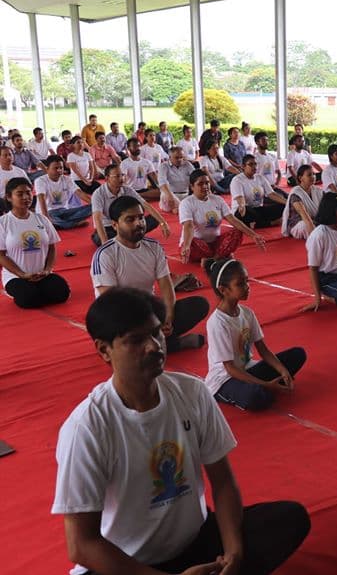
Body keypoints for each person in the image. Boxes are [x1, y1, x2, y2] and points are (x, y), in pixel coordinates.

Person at [52, 287, 311, 575]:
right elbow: (82, 544)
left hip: (195, 542)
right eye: (136, 340)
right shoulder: (88, 427)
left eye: (156, 333)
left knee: (288, 519)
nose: (154, 346)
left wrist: (233, 552)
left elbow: (223, 482)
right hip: (131, 563)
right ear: (104, 350)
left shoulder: (193, 393)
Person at [92, 195, 208, 351]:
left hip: (148, 311)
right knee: (122, 334)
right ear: (115, 225)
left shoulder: (154, 247)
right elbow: (111, 300)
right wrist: (150, 324)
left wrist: (168, 318)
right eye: (130, 220)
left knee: (199, 304)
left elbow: (166, 285)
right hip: (119, 316)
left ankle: (153, 343)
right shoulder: (105, 254)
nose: (138, 223)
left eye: (140, 218)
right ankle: (171, 344)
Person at [203, 257, 307, 411]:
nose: (247, 287)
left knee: (298, 354)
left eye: (246, 281)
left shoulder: (247, 313)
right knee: (256, 397)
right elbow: (230, 368)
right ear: (223, 290)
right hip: (225, 379)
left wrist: (282, 370)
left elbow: (263, 349)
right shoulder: (218, 323)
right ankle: (262, 388)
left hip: (247, 369)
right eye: (240, 284)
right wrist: (265, 384)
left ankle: (268, 386)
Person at [0, 177, 70, 308]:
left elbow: (52, 247)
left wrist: (48, 270)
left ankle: (38, 290)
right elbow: (1, 255)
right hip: (16, 276)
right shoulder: (3, 223)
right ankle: (28, 292)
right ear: (9, 197)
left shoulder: (41, 219)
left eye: (28, 193)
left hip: (41, 274)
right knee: (29, 299)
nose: (26, 197)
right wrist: (22, 274)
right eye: (20, 194)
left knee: (62, 293)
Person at [179, 170, 267, 263]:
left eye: (207, 183)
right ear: (192, 187)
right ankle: (220, 256)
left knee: (237, 232)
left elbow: (233, 220)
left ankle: (213, 258)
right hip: (196, 244)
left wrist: (253, 235)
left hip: (215, 243)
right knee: (192, 243)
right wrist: (187, 246)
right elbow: (188, 226)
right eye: (200, 184)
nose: (205, 186)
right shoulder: (186, 203)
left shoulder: (218, 199)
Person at [91, 163, 168, 247]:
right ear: (107, 178)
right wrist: (104, 243)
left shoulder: (127, 190)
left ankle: (125, 237)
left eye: (122, 175)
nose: (121, 179)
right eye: (117, 176)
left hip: (127, 224)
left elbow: (146, 205)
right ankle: (128, 237)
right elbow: (97, 218)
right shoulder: (98, 194)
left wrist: (163, 223)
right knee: (99, 238)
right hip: (109, 227)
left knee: (154, 219)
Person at [34, 155, 93, 229]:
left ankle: (61, 224)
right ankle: (71, 223)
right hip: (49, 212)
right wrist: (46, 218)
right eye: (56, 168)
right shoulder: (40, 181)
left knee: (94, 206)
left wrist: (94, 204)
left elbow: (79, 193)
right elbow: (41, 199)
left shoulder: (67, 179)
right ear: (47, 169)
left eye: (61, 168)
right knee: (51, 219)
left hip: (65, 211)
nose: (59, 170)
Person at [231, 155, 286, 228]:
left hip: (259, 210)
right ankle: (270, 223)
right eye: (251, 164)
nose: (254, 167)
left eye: (255, 164)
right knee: (247, 212)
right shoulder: (237, 180)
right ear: (243, 166)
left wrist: (287, 202)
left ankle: (255, 224)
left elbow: (271, 194)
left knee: (283, 206)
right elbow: (240, 198)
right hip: (244, 210)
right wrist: (242, 206)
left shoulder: (260, 177)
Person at [281, 165, 323, 240]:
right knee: (305, 226)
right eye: (309, 175)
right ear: (300, 178)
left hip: (315, 221)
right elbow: (304, 215)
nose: (313, 176)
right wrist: (316, 238)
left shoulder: (318, 190)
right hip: (298, 223)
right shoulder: (296, 193)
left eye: (313, 174)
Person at [158, 144, 195, 214]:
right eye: (176, 157)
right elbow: (162, 183)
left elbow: (196, 177)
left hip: (185, 196)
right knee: (165, 196)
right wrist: (170, 196)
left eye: (181, 157)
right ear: (169, 157)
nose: (179, 160)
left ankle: (180, 208)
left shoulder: (187, 164)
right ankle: (180, 208)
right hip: (170, 196)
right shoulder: (163, 166)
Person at [0, 146, 28, 214]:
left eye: (10, 154)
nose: (9, 157)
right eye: (5, 155)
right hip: (3, 200)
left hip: (20, 198)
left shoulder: (20, 171)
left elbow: (28, 187)